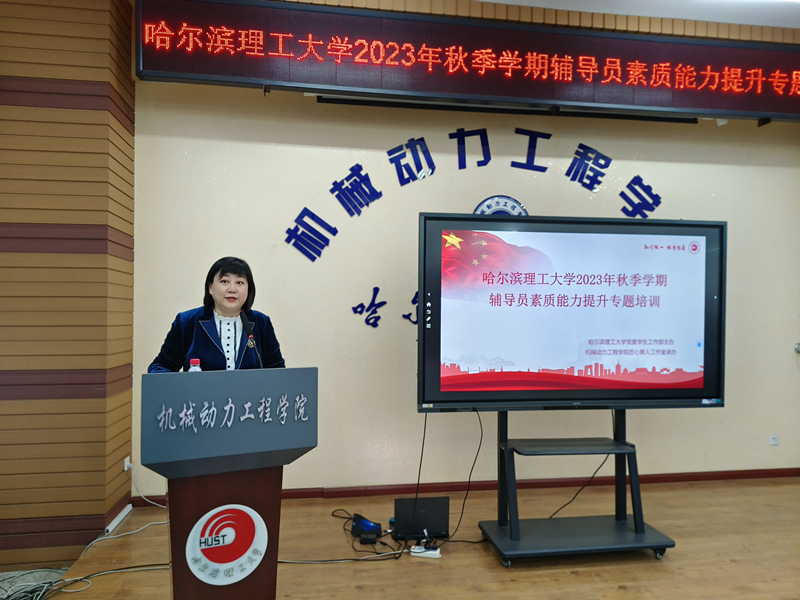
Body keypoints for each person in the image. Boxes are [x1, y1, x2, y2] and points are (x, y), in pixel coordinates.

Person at [147, 257, 285, 373]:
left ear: (249, 289)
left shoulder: (261, 322)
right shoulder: (187, 321)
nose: (232, 289)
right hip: (200, 397)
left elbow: (277, 370)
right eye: (224, 281)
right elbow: (160, 367)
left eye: (239, 282)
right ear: (210, 287)